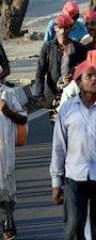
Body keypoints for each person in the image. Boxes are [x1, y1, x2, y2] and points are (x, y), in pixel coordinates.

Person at [50, 58, 96, 239]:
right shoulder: (67, 110)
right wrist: (56, 183)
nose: (95, 79)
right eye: (89, 76)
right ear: (78, 81)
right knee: (73, 226)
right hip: (75, 176)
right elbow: (58, 147)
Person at [34, 14, 90, 115]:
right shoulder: (47, 48)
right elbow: (40, 74)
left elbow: (86, 73)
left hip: (73, 96)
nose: (63, 31)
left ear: (71, 28)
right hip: (51, 97)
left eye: (66, 28)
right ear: (55, 28)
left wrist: (74, 74)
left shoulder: (79, 48)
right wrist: (40, 97)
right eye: (60, 28)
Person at [0, 79, 27, 239]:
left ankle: (8, 220)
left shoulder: (8, 94)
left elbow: (23, 119)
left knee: (7, 190)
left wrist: (7, 111)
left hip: (5, 154)